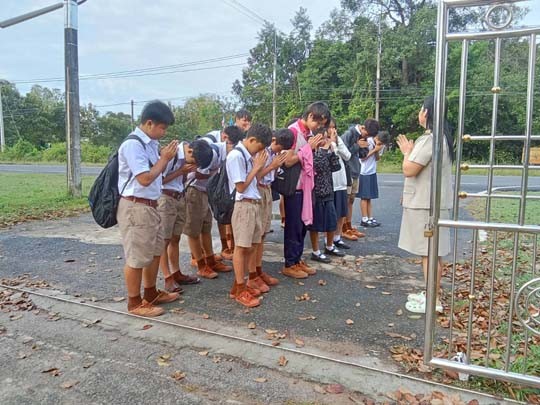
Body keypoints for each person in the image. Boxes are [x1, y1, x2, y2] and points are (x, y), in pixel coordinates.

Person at [116, 100, 180, 317]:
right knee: (136, 256)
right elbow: (144, 178)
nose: (163, 132)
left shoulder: (151, 144)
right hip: (136, 206)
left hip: (151, 205)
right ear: (149, 123)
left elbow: (157, 175)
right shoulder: (133, 145)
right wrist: (164, 159)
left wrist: (163, 158)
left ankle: (150, 293)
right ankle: (134, 303)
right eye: (162, 128)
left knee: (154, 252)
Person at [396, 96, 454, 314]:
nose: (419, 114)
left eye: (421, 109)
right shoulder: (443, 137)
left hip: (424, 205)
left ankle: (433, 300)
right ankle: (432, 293)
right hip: (434, 202)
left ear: (427, 113)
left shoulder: (429, 139)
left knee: (428, 253)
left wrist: (406, 152)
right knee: (434, 252)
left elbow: (409, 169)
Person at [183, 128, 245, 279]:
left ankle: (210, 260)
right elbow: (197, 173)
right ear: (227, 142)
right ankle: (200, 264)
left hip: (205, 192)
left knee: (206, 228)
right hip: (194, 191)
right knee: (194, 230)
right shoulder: (210, 152)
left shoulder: (226, 153)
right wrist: (215, 173)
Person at [158, 139, 214, 293]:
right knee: (164, 240)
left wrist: (186, 173)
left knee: (175, 238)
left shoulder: (187, 159)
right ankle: (167, 277)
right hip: (165, 198)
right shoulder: (171, 155)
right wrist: (180, 171)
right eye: (194, 162)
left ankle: (176, 273)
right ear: (190, 151)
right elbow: (157, 180)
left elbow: (181, 180)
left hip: (179, 196)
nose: (194, 164)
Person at [282, 102, 330, 279]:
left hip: (307, 187)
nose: (318, 127)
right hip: (295, 187)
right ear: (310, 116)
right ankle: (290, 263)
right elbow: (287, 161)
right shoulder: (293, 132)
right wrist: (308, 148)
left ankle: (297, 259)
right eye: (318, 122)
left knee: (303, 226)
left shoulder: (309, 134)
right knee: (293, 226)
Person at [227, 123, 272, 307]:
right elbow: (240, 187)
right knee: (241, 247)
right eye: (259, 147)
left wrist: (257, 167)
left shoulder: (247, 156)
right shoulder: (236, 156)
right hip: (243, 205)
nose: (259, 152)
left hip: (253, 204)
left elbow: (254, 180)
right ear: (252, 140)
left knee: (252, 246)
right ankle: (239, 289)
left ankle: (240, 285)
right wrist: (257, 167)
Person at [251, 128, 294, 288]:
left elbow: (272, 176)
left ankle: (258, 270)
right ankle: (252, 274)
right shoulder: (262, 153)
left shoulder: (275, 154)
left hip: (268, 190)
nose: (279, 151)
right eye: (278, 147)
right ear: (274, 140)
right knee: (256, 235)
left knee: (263, 234)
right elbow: (255, 176)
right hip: (258, 190)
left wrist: (276, 167)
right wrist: (272, 166)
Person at [308, 127, 344, 263]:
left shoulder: (327, 151)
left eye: (326, 137)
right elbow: (319, 165)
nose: (325, 140)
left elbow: (336, 167)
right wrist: (324, 149)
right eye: (322, 138)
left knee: (331, 221)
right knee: (315, 225)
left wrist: (332, 151)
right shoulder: (312, 152)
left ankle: (329, 246)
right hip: (316, 193)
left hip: (328, 191)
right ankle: (315, 251)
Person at [341, 119, 379, 238]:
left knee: (351, 201)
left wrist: (364, 147)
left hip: (355, 171)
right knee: (345, 201)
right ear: (362, 128)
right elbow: (343, 153)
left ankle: (348, 226)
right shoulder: (349, 134)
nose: (366, 137)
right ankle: (343, 229)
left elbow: (362, 155)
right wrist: (357, 145)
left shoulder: (363, 137)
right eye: (366, 134)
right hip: (347, 172)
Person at [328, 118, 352, 249]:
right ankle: (329, 240)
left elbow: (347, 155)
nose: (332, 130)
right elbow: (333, 157)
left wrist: (337, 142)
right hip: (330, 183)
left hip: (341, 181)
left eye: (334, 127)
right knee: (331, 214)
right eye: (330, 127)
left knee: (341, 212)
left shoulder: (338, 140)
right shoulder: (323, 142)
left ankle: (337, 237)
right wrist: (332, 143)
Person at [358, 124, 386, 228]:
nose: (379, 144)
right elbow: (362, 158)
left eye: (381, 143)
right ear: (376, 137)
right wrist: (374, 149)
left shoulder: (380, 145)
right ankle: (364, 218)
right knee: (364, 197)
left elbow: (377, 158)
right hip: (364, 172)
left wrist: (377, 150)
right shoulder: (368, 142)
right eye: (379, 141)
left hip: (372, 171)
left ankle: (370, 217)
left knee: (369, 197)